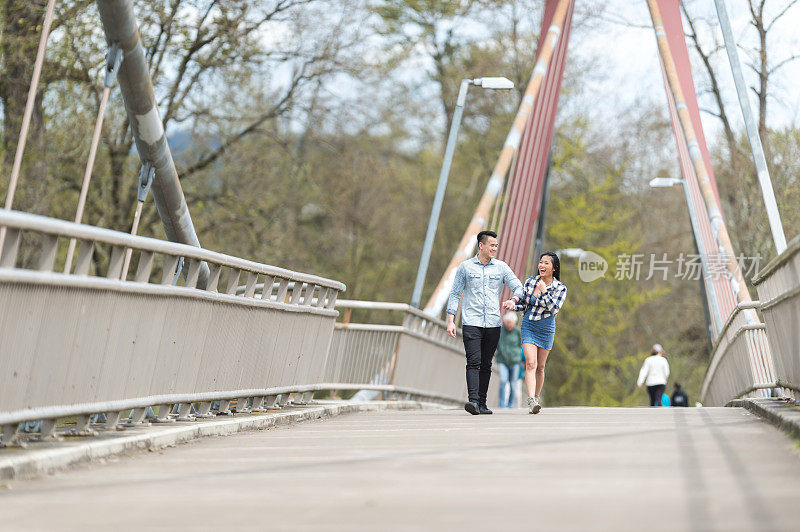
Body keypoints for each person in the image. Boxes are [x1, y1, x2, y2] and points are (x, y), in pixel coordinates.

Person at [446, 230, 523, 415]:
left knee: (487, 363)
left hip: (493, 323)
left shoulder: (501, 267)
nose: (495, 248)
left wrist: (514, 300)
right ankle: (472, 401)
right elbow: (455, 293)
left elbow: (518, 286)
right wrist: (450, 321)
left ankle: (482, 402)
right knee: (474, 361)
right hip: (471, 321)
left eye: (496, 245)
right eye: (492, 245)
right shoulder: (465, 267)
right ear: (481, 245)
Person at [510, 252, 567, 414]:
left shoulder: (560, 288)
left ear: (554, 268)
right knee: (531, 364)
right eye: (541, 262)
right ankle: (531, 401)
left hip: (546, 329)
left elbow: (554, 308)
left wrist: (544, 291)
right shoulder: (530, 282)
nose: (542, 265)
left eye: (546, 263)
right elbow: (524, 304)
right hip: (528, 326)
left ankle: (537, 396)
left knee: (540, 368)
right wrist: (513, 305)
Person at [495, 312, 523, 408]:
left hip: (515, 361)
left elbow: (522, 344)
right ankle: (502, 405)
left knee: (513, 384)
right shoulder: (500, 331)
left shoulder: (517, 331)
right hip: (502, 361)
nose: (509, 324)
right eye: (508, 322)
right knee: (503, 381)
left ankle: (510, 405)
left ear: (514, 323)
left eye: (511, 322)